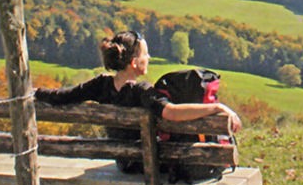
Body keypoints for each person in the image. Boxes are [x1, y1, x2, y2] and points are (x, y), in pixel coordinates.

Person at [34, 30, 242, 171]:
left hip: (123, 163)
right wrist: (217, 107)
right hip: (145, 165)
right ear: (134, 62)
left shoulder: (100, 85)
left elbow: (62, 97)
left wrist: (33, 92)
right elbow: (172, 113)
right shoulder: (142, 91)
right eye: (146, 54)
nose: (149, 58)